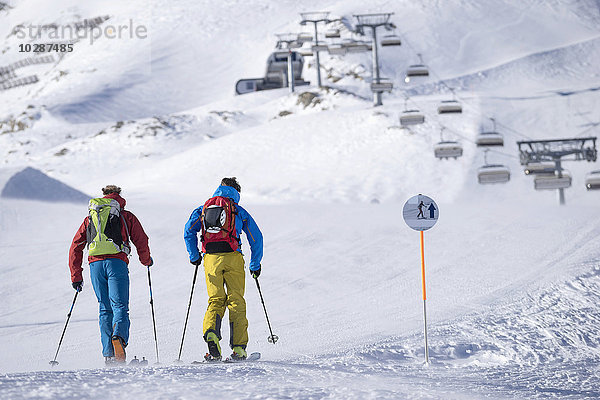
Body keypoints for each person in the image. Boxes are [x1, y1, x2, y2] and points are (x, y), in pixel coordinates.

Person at [68, 185, 153, 365]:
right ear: (118, 197)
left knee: (104, 308)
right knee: (120, 306)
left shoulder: (91, 217)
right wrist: (146, 260)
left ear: (104, 196)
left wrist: (76, 275)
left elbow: (76, 246)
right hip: (117, 263)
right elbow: (141, 239)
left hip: (95, 265)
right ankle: (119, 339)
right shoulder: (125, 215)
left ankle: (109, 354)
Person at [184, 177, 263, 361]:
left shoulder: (203, 208)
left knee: (216, 299)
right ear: (236, 192)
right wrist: (255, 264)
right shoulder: (237, 209)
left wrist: (194, 255)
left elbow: (189, 230)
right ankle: (238, 348)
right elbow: (256, 237)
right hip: (233, 257)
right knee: (236, 300)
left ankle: (211, 334)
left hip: (211, 259)